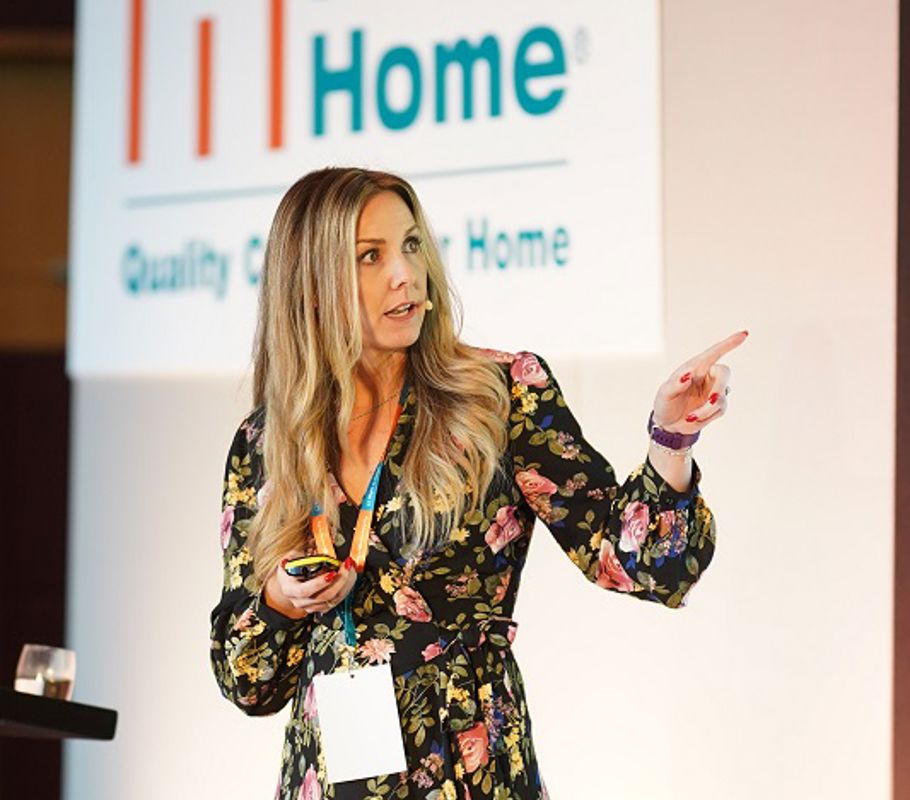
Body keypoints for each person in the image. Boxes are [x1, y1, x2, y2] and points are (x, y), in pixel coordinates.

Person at [210, 167, 744, 800]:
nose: (405, 274)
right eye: (370, 256)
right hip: (332, 776)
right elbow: (248, 683)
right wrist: (278, 600)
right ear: (313, 286)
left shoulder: (498, 394)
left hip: (471, 767)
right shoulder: (267, 442)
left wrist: (670, 441)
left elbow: (644, 564)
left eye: (411, 245)